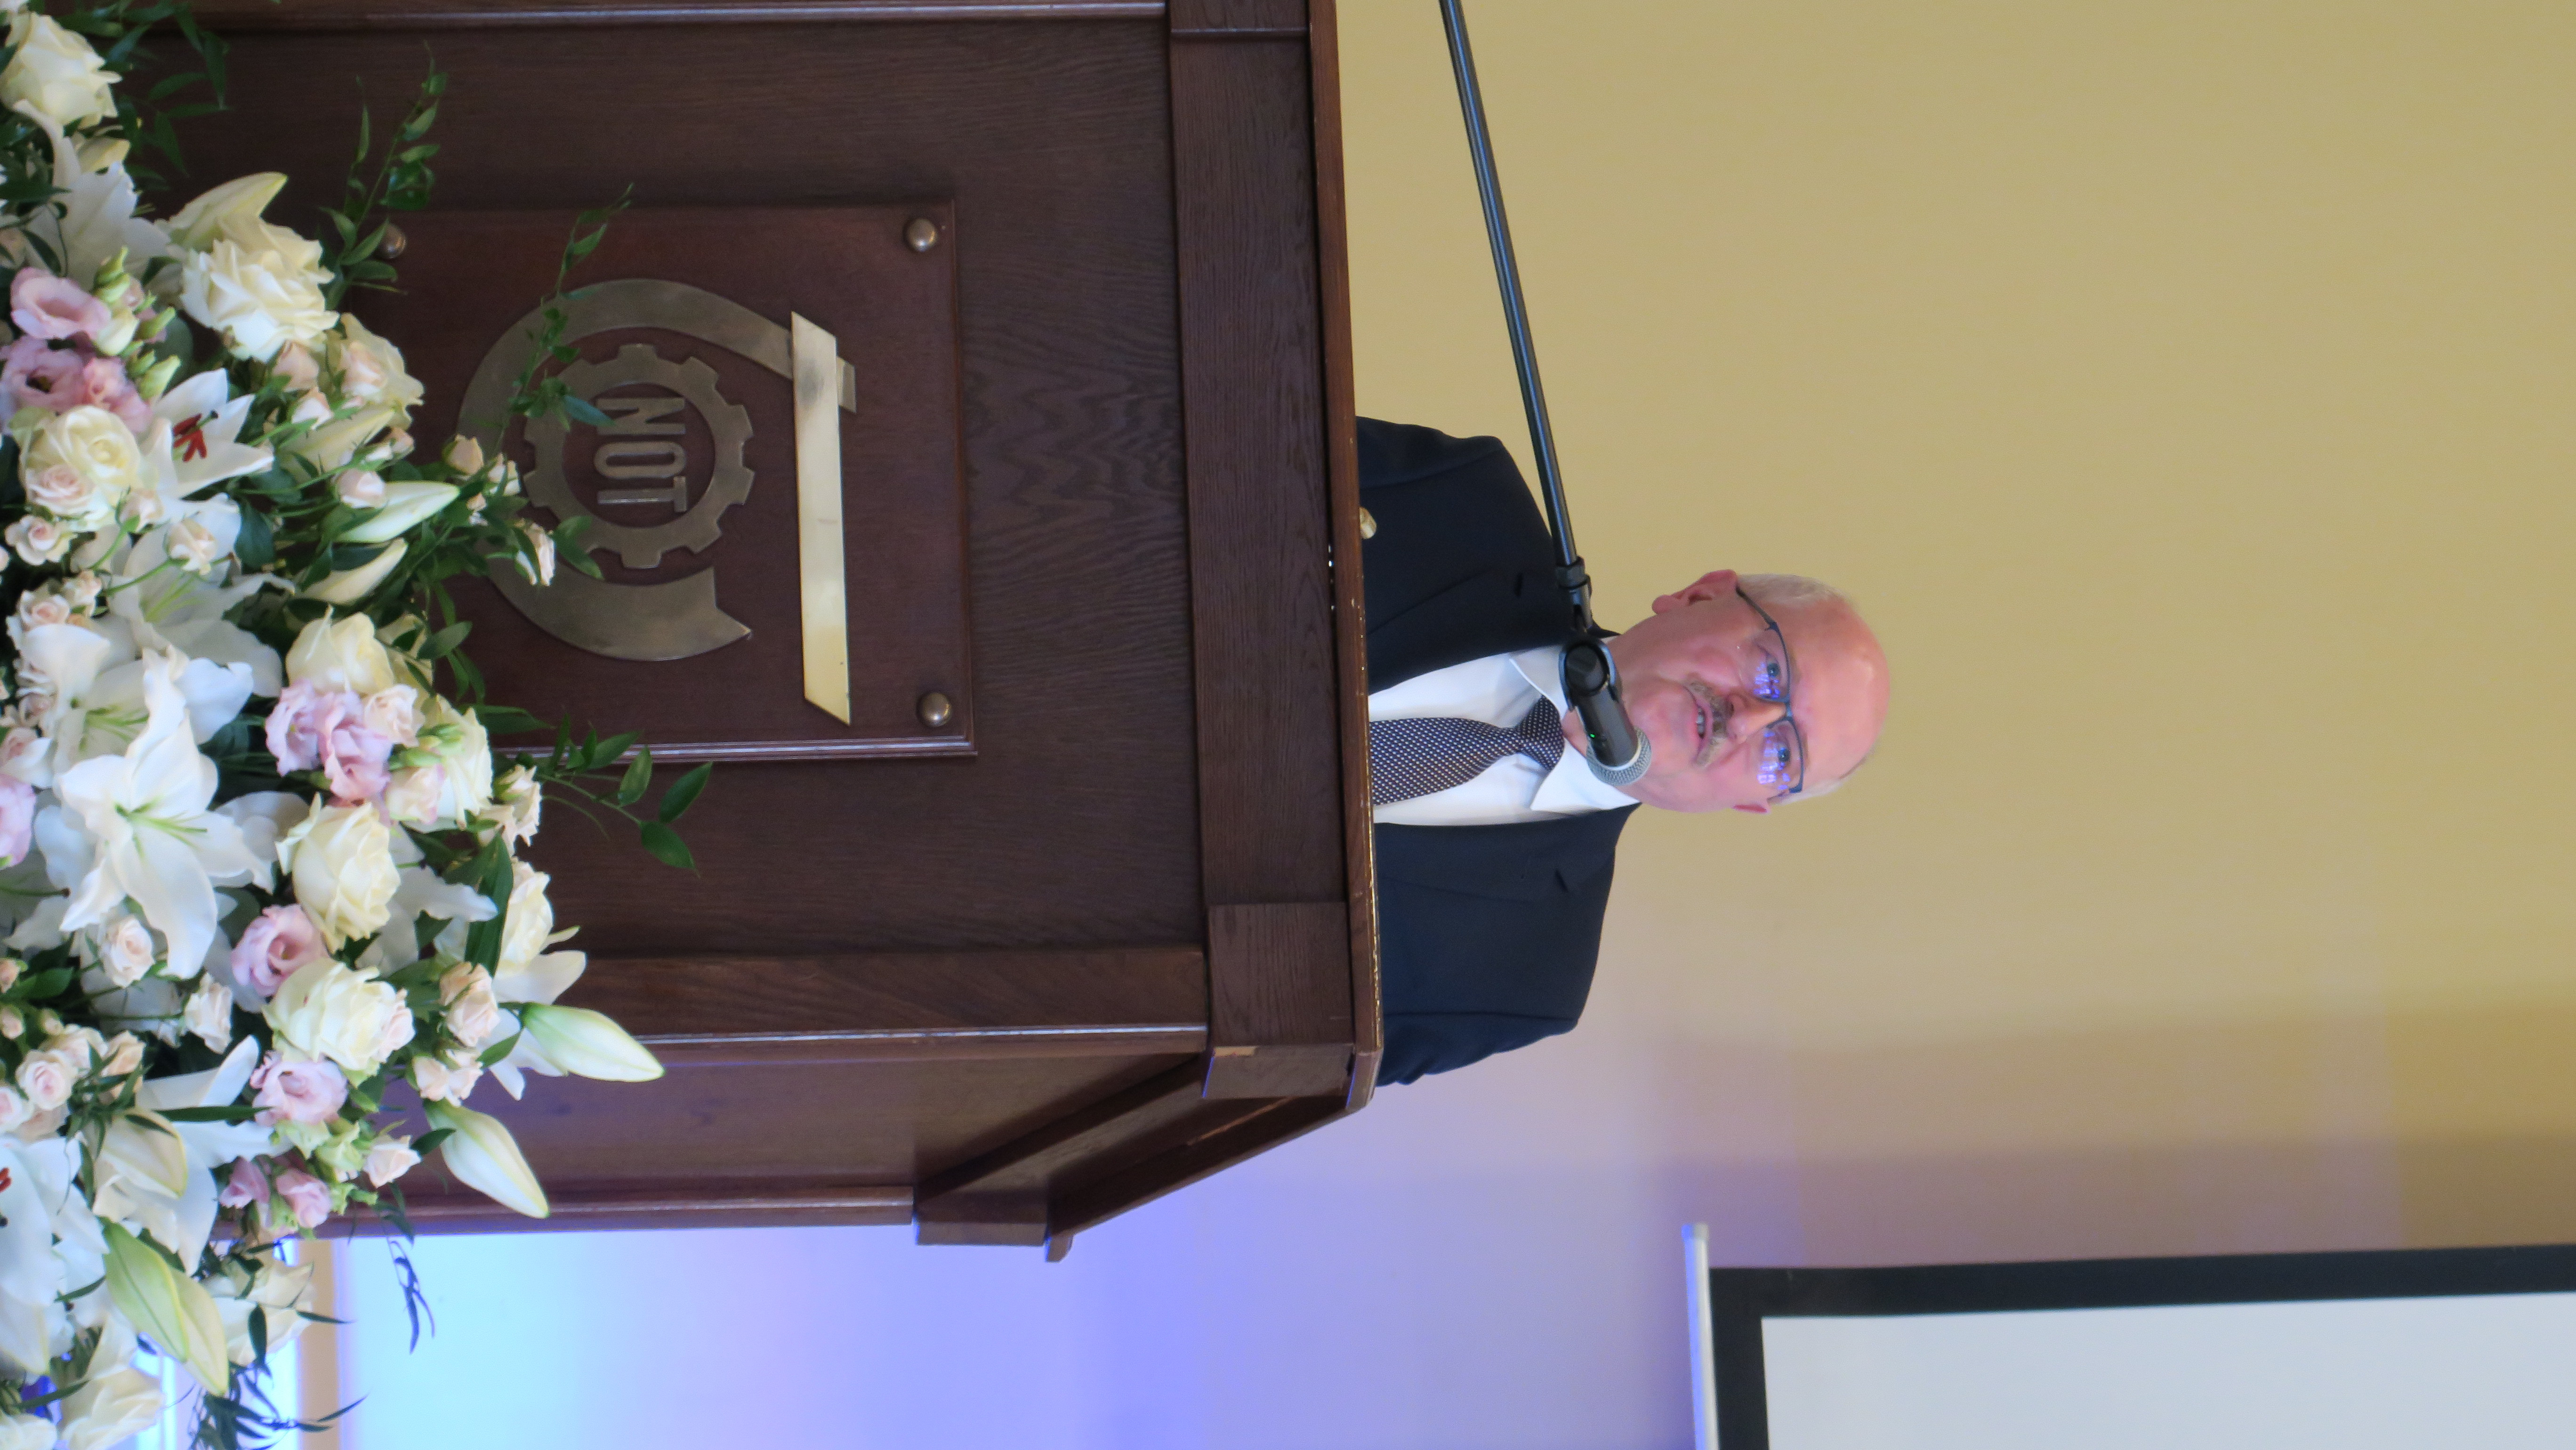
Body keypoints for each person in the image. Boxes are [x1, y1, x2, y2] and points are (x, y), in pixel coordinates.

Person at [1362, 418, 1891, 1085]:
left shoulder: (1521, 982)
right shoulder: (1458, 499)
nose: (1748, 719)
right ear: (1699, 595)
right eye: (1770, 673)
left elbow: (1258, 1082)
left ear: (1751, 805)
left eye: (1782, 755)